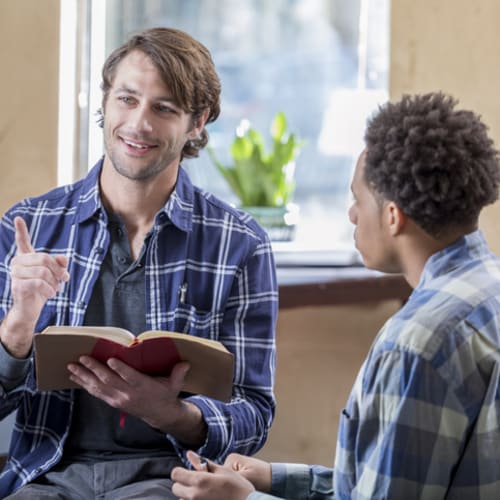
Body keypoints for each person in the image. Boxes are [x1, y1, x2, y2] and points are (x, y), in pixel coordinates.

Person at [171, 92, 500, 499]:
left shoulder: (415, 346)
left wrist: (243, 499)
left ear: (393, 216)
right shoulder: (488, 293)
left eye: (357, 199)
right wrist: (275, 479)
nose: (351, 214)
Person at [0, 27, 278, 498]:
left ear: (198, 121)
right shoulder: (28, 227)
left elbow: (254, 413)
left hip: (169, 481)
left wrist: (172, 414)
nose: (139, 123)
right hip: (43, 479)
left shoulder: (240, 244)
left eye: (163, 108)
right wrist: (17, 329)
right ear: (105, 103)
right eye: (127, 99)